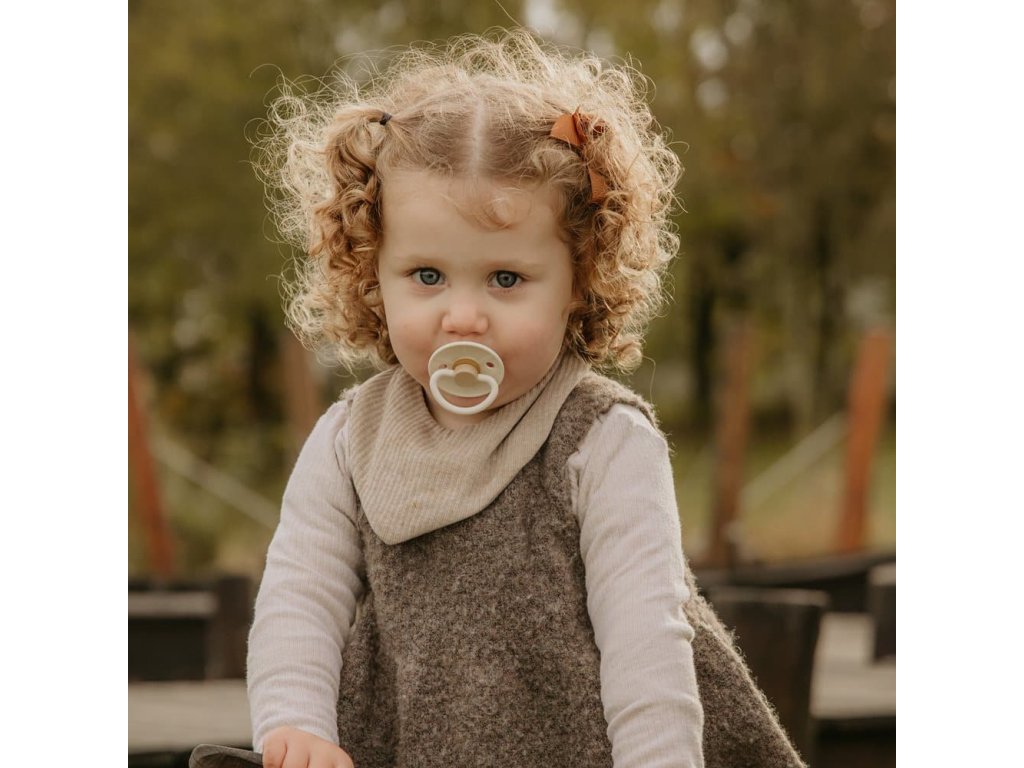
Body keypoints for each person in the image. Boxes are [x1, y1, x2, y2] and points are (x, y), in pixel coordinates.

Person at [227, 29, 804, 768]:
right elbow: (299, 597)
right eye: (427, 276)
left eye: (505, 280)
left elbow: (647, 642)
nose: (463, 317)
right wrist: (296, 724)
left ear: (578, 282)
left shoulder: (603, 440)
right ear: (374, 274)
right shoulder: (349, 440)